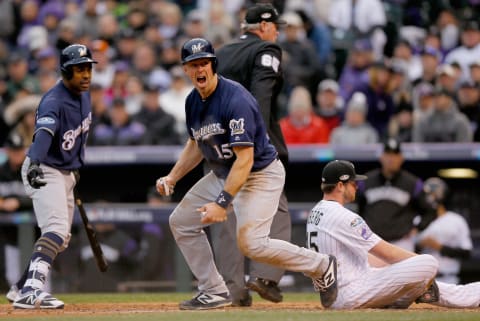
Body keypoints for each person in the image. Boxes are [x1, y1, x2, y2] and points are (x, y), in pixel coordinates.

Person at [155, 37, 337, 310]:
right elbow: (196, 143)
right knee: (181, 221)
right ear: (185, 69)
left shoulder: (235, 98)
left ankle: (321, 265)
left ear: (213, 65)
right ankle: (214, 290)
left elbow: (245, 160)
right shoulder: (193, 101)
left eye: (204, 62)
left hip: (260, 175)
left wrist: (222, 203)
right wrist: (172, 177)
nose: (199, 69)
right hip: (223, 173)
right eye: (193, 64)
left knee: (252, 244)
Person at [306, 159, 480, 309]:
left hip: (341, 287)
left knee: (421, 279)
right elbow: (388, 254)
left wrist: (412, 277)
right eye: (353, 183)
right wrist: (418, 267)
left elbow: (364, 258)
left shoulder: (315, 212)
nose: (357, 186)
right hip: (351, 291)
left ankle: (473, 294)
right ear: (340, 186)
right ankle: (404, 297)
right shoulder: (344, 216)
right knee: (428, 263)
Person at [211, 3, 293, 306]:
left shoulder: (221, 52)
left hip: (220, 145)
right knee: (277, 212)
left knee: (227, 212)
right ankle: (266, 276)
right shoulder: (266, 48)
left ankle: (231, 289)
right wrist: (256, 142)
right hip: (253, 144)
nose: (277, 31)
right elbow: (262, 96)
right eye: (276, 26)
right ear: (264, 26)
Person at [7, 44, 97, 309]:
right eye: (79, 69)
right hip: (44, 167)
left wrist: (73, 168)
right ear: (65, 71)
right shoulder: (54, 101)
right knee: (56, 230)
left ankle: (20, 287)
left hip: (65, 170)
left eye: (88, 68)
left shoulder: (84, 94)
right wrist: (34, 161)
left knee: (61, 238)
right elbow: (43, 135)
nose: (86, 75)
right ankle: (31, 291)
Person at [356, 138, 436, 252]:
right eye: (388, 154)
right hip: (371, 241)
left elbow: (430, 211)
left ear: (401, 158)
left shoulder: (413, 183)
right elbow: (356, 209)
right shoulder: (366, 181)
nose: (391, 159)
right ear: (381, 157)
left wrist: (417, 228)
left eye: (395, 155)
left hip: (401, 242)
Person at [417, 177, 473, 284]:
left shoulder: (456, 220)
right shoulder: (417, 221)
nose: (430, 198)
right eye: (428, 195)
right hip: (422, 281)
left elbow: (466, 253)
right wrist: (420, 245)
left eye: (434, 194)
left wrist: (439, 247)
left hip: (449, 279)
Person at [0, 132, 33, 292]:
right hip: (9, 235)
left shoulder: (31, 170)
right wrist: (2, 203)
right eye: (14, 151)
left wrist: (18, 201)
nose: (17, 154)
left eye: (19, 150)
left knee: (38, 279)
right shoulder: (1, 172)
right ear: (7, 151)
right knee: (13, 277)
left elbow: (41, 196)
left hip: (35, 234)